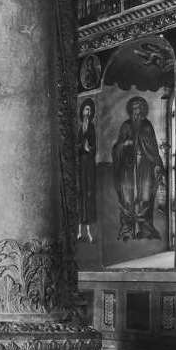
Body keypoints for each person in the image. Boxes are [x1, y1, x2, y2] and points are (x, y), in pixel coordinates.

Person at [112, 96, 164, 241]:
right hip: (128, 167)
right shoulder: (126, 125)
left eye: (139, 108)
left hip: (145, 166)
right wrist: (125, 144)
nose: (137, 111)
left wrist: (157, 163)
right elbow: (117, 147)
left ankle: (145, 229)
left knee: (145, 197)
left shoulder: (147, 125)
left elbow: (153, 147)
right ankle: (127, 229)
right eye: (134, 108)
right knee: (127, 199)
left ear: (143, 110)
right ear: (131, 110)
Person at [77, 99, 97, 243]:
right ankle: (79, 231)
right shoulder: (80, 128)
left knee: (88, 194)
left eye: (89, 110)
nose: (87, 112)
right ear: (82, 111)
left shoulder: (92, 127)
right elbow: (77, 145)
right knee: (80, 193)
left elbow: (94, 146)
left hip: (89, 164)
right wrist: (81, 147)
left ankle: (88, 231)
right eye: (86, 109)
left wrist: (88, 148)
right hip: (80, 163)